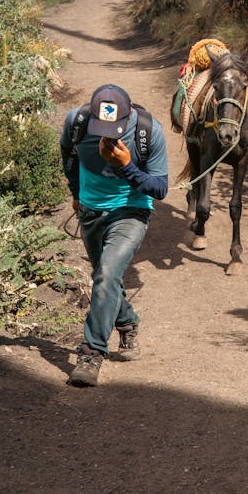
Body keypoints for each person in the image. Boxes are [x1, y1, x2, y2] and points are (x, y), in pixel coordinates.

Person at [60, 84, 168, 387]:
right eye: (102, 127)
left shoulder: (149, 132)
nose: (108, 134)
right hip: (90, 212)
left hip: (131, 212)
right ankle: (127, 321)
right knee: (104, 276)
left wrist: (126, 167)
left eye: (115, 128)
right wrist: (76, 193)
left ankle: (91, 352)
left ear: (129, 114)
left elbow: (160, 188)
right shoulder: (77, 122)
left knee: (107, 273)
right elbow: (68, 157)